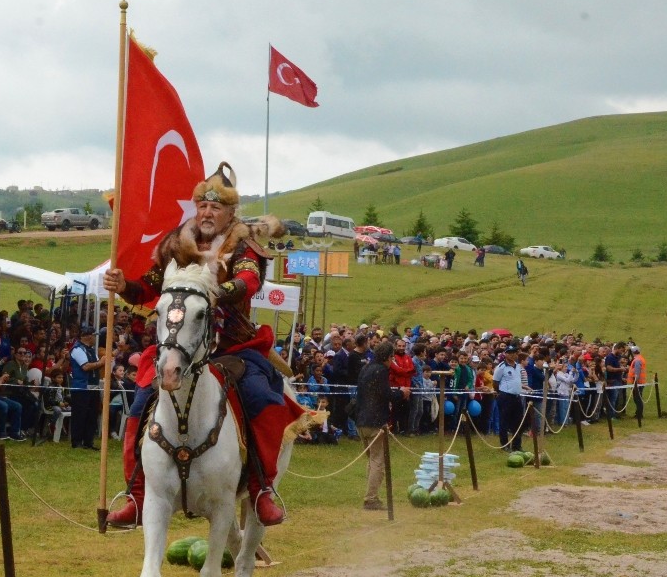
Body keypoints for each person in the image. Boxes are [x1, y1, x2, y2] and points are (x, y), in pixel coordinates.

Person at [103, 161, 306, 528]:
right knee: (140, 402)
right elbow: (148, 285)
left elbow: (249, 280)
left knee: (262, 397)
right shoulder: (178, 243)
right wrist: (124, 286)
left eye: (216, 206)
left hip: (233, 348)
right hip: (180, 346)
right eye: (203, 205)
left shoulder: (243, 244)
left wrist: (217, 290)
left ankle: (261, 489)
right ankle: (137, 493)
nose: (208, 212)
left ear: (231, 212)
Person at [356, 341, 411, 510]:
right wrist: (402, 393)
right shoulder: (380, 370)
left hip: (361, 420)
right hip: (375, 421)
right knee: (377, 462)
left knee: (372, 461)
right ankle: (371, 499)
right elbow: (385, 395)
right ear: (387, 357)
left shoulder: (366, 367)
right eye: (391, 358)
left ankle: (372, 495)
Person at [69, 326, 107, 450]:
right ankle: (77, 441)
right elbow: (85, 366)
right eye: (94, 335)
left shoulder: (90, 350)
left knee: (92, 415)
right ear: (87, 336)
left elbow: (96, 364)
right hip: (81, 388)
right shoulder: (78, 349)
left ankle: (88, 441)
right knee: (80, 415)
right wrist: (101, 363)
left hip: (93, 387)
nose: (95, 338)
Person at [493, 345, 524, 452]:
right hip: (506, 396)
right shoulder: (501, 367)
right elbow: (495, 382)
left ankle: (517, 445)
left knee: (518, 422)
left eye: (514, 353)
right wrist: (500, 392)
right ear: (505, 354)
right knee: (504, 421)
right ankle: (504, 445)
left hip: (516, 396)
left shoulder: (518, 366)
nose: (512, 355)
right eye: (509, 353)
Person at [626, 345, 647, 422]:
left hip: (637, 383)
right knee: (638, 398)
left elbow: (637, 372)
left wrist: (635, 382)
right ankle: (638, 413)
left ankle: (639, 414)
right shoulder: (640, 358)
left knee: (637, 399)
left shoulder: (637, 360)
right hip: (640, 382)